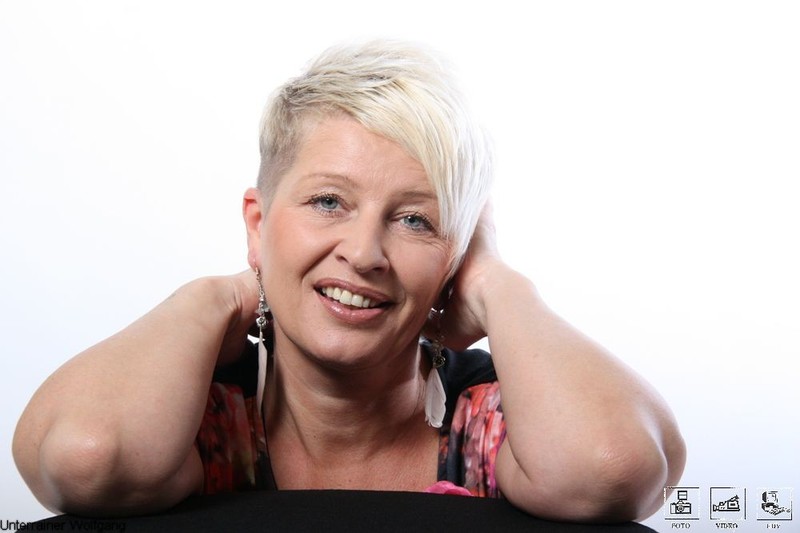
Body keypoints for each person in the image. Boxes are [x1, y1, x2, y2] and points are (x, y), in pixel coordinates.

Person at [13, 40, 686, 523]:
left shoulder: (496, 422)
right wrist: (214, 297)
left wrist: (497, 284)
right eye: (328, 201)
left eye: (416, 220)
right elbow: (88, 460)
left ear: (453, 261)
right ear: (258, 224)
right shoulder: (193, 415)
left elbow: (612, 469)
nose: (364, 254)